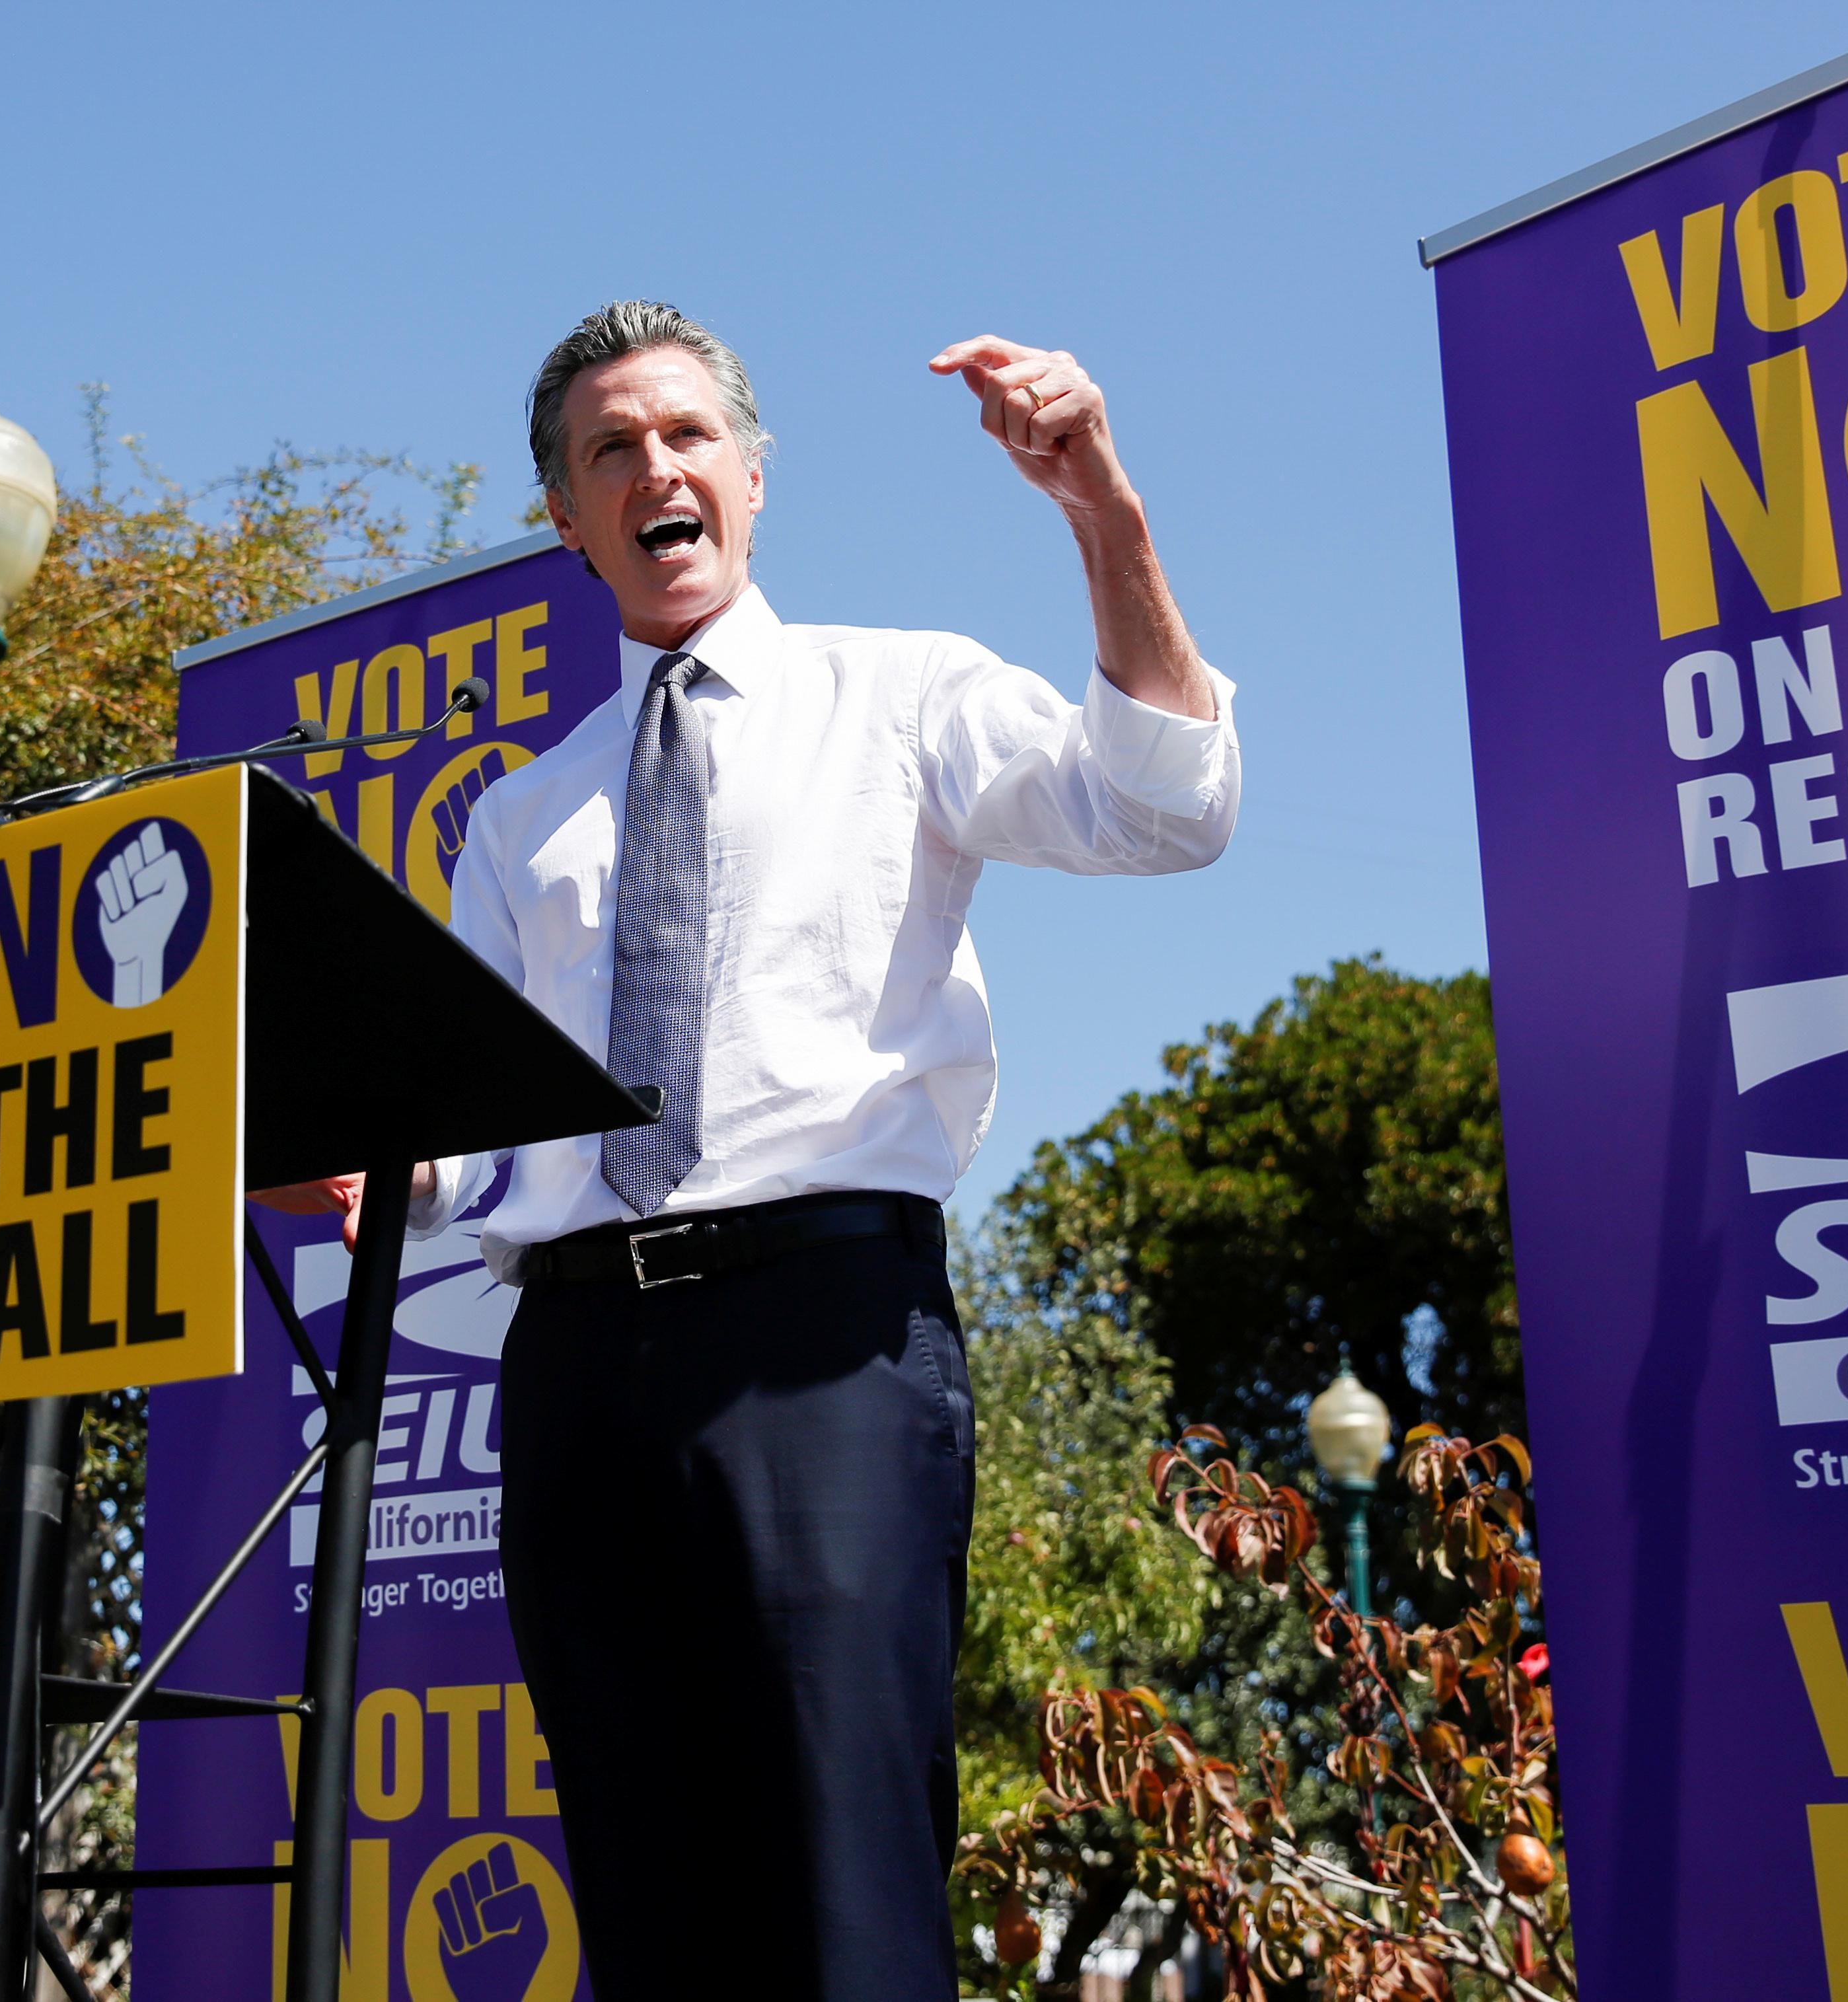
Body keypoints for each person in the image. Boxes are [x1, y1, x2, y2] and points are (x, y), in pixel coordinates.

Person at [260, 300, 1237, 1997]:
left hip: (822, 1344)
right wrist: (357, 1167)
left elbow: (1164, 805)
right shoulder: (519, 813)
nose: (657, 468)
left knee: (843, 1888)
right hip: (576, 1368)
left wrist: (1102, 507)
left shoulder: (904, 690)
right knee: (649, 1902)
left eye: (688, 434)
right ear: (568, 519)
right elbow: (487, 1141)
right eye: (610, 450)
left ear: (756, 476)